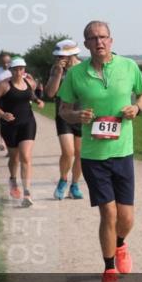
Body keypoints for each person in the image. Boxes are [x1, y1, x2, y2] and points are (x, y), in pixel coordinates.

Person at [58, 21, 142, 282]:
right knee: (108, 213)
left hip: (122, 152)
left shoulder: (128, 66)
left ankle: (120, 243)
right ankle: (109, 270)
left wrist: (136, 108)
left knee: (126, 217)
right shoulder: (76, 74)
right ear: (85, 44)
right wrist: (77, 116)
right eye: (93, 38)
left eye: (103, 37)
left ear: (111, 40)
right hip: (94, 156)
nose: (99, 42)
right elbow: (63, 110)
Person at [0, 56, 45, 207]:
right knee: (14, 157)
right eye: (15, 69)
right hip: (10, 125)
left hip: (28, 122)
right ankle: (13, 181)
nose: (18, 72)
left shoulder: (29, 82)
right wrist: (2, 114)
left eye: (21, 69)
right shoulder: (3, 85)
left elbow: (30, 94)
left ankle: (27, 193)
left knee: (25, 156)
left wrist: (38, 100)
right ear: (11, 70)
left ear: (24, 69)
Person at [45, 39, 84, 200]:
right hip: (64, 115)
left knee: (80, 153)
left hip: (82, 114)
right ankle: (63, 180)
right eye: (58, 56)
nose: (59, 59)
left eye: (62, 56)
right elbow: (50, 93)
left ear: (72, 55)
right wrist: (58, 73)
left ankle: (74, 185)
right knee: (68, 152)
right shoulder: (56, 69)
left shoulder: (84, 68)